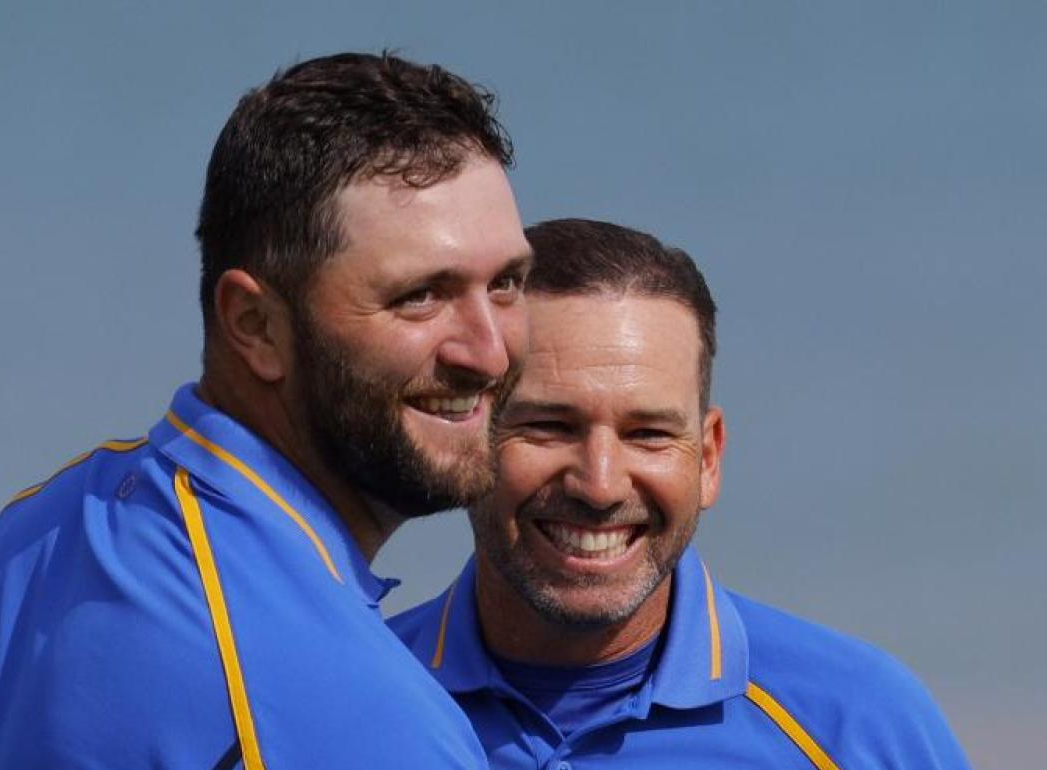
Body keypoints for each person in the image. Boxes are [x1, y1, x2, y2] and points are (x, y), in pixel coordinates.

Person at [0, 52, 534, 770]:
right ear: (255, 325)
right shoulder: (375, 719)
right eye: (420, 296)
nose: (489, 353)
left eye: (507, 283)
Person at [391, 218, 971, 769]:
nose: (600, 485)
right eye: (549, 426)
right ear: (464, 435)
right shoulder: (364, 695)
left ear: (709, 458)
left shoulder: (859, 726)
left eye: (648, 434)